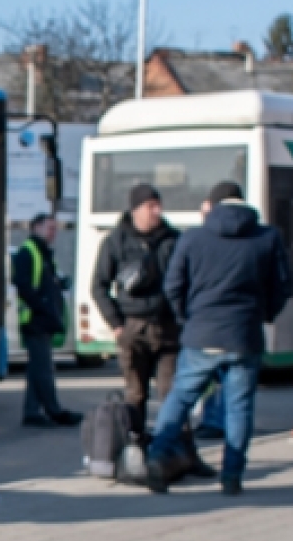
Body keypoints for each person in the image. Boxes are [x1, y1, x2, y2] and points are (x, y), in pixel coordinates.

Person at [144, 181, 292, 496]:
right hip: (243, 335)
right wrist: (263, 315)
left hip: (200, 333)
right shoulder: (268, 237)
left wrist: (188, 317)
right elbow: (283, 286)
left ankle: (156, 460)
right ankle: (232, 476)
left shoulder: (192, 237)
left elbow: (173, 285)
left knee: (180, 398)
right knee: (238, 408)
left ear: (212, 205)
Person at [90, 183, 181, 443]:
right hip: (134, 328)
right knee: (136, 394)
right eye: (151, 206)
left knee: (172, 393)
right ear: (135, 210)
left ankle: (173, 448)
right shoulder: (116, 241)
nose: (157, 211)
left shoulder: (173, 239)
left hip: (169, 327)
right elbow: (98, 286)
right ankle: (135, 446)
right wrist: (117, 325)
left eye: (158, 205)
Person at [12, 212, 82, 428]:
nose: (54, 232)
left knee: (37, 368)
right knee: (43, 369)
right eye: (50, 228)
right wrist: (42, 306)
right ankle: (54, 410)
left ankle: (32, 412)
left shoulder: (43, 254)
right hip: (35, 320)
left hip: (43, 319)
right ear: (36, 228)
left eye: (55, 228)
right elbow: (23, 285)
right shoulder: (28, 252)